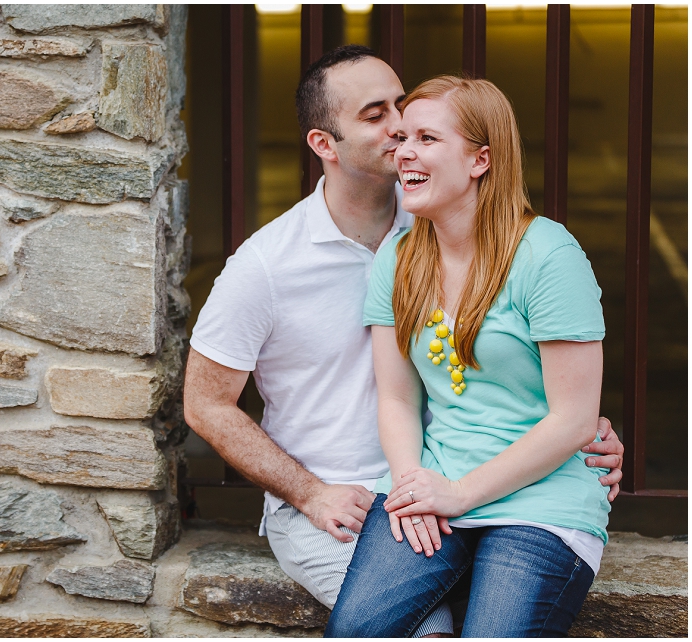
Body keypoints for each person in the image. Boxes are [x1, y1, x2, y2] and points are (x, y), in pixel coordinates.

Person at [184, 47, 623, 636]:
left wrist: (578, 428)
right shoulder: (267, 264)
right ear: (324, 145)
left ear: (478, 160)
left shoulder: (432, 222)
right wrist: (311, 493)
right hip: (358, 502)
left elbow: (526, 383)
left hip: (451, 483)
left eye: (405, 109)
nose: (399, 131)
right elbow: (205, 403)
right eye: (376, 115)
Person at [326, 75, 612, 638]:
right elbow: (397, 399)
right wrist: (413, 485)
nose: (404, 150)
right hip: (435, 480)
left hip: (542, 499)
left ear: (481, 159)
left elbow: (575, 420)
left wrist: (459, 494)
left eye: (427, 138)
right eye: (402, 137)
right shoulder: (399, 260)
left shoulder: (548, 256)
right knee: (354, 632)